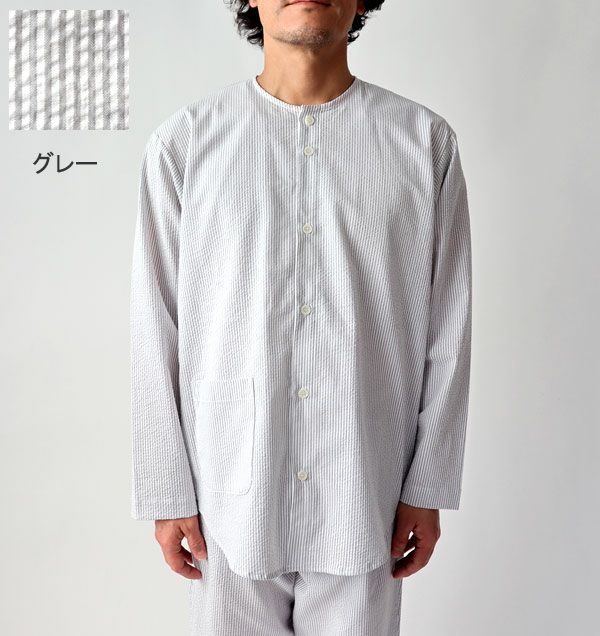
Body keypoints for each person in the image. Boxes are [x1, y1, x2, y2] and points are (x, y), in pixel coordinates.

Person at [129, 0, 472, 633]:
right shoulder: (184, 145)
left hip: (364, 495)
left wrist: (427, 485)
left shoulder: (424, 143)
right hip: (228, 504)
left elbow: (448, 328)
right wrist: (166, 489)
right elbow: (157, 328)